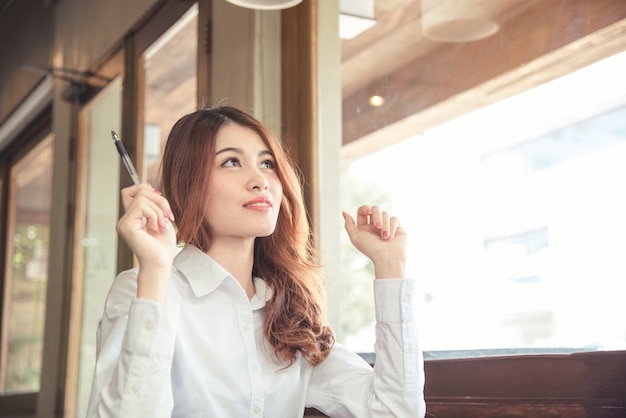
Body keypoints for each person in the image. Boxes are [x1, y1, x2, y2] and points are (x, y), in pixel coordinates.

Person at [86, 106, 425, 417]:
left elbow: (395, 411)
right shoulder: (142, 289)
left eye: (267, 163)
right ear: (189, 185)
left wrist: (391, 266)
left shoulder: (288, 317)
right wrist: (157, 271)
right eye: (231, 162)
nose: (260, 179)